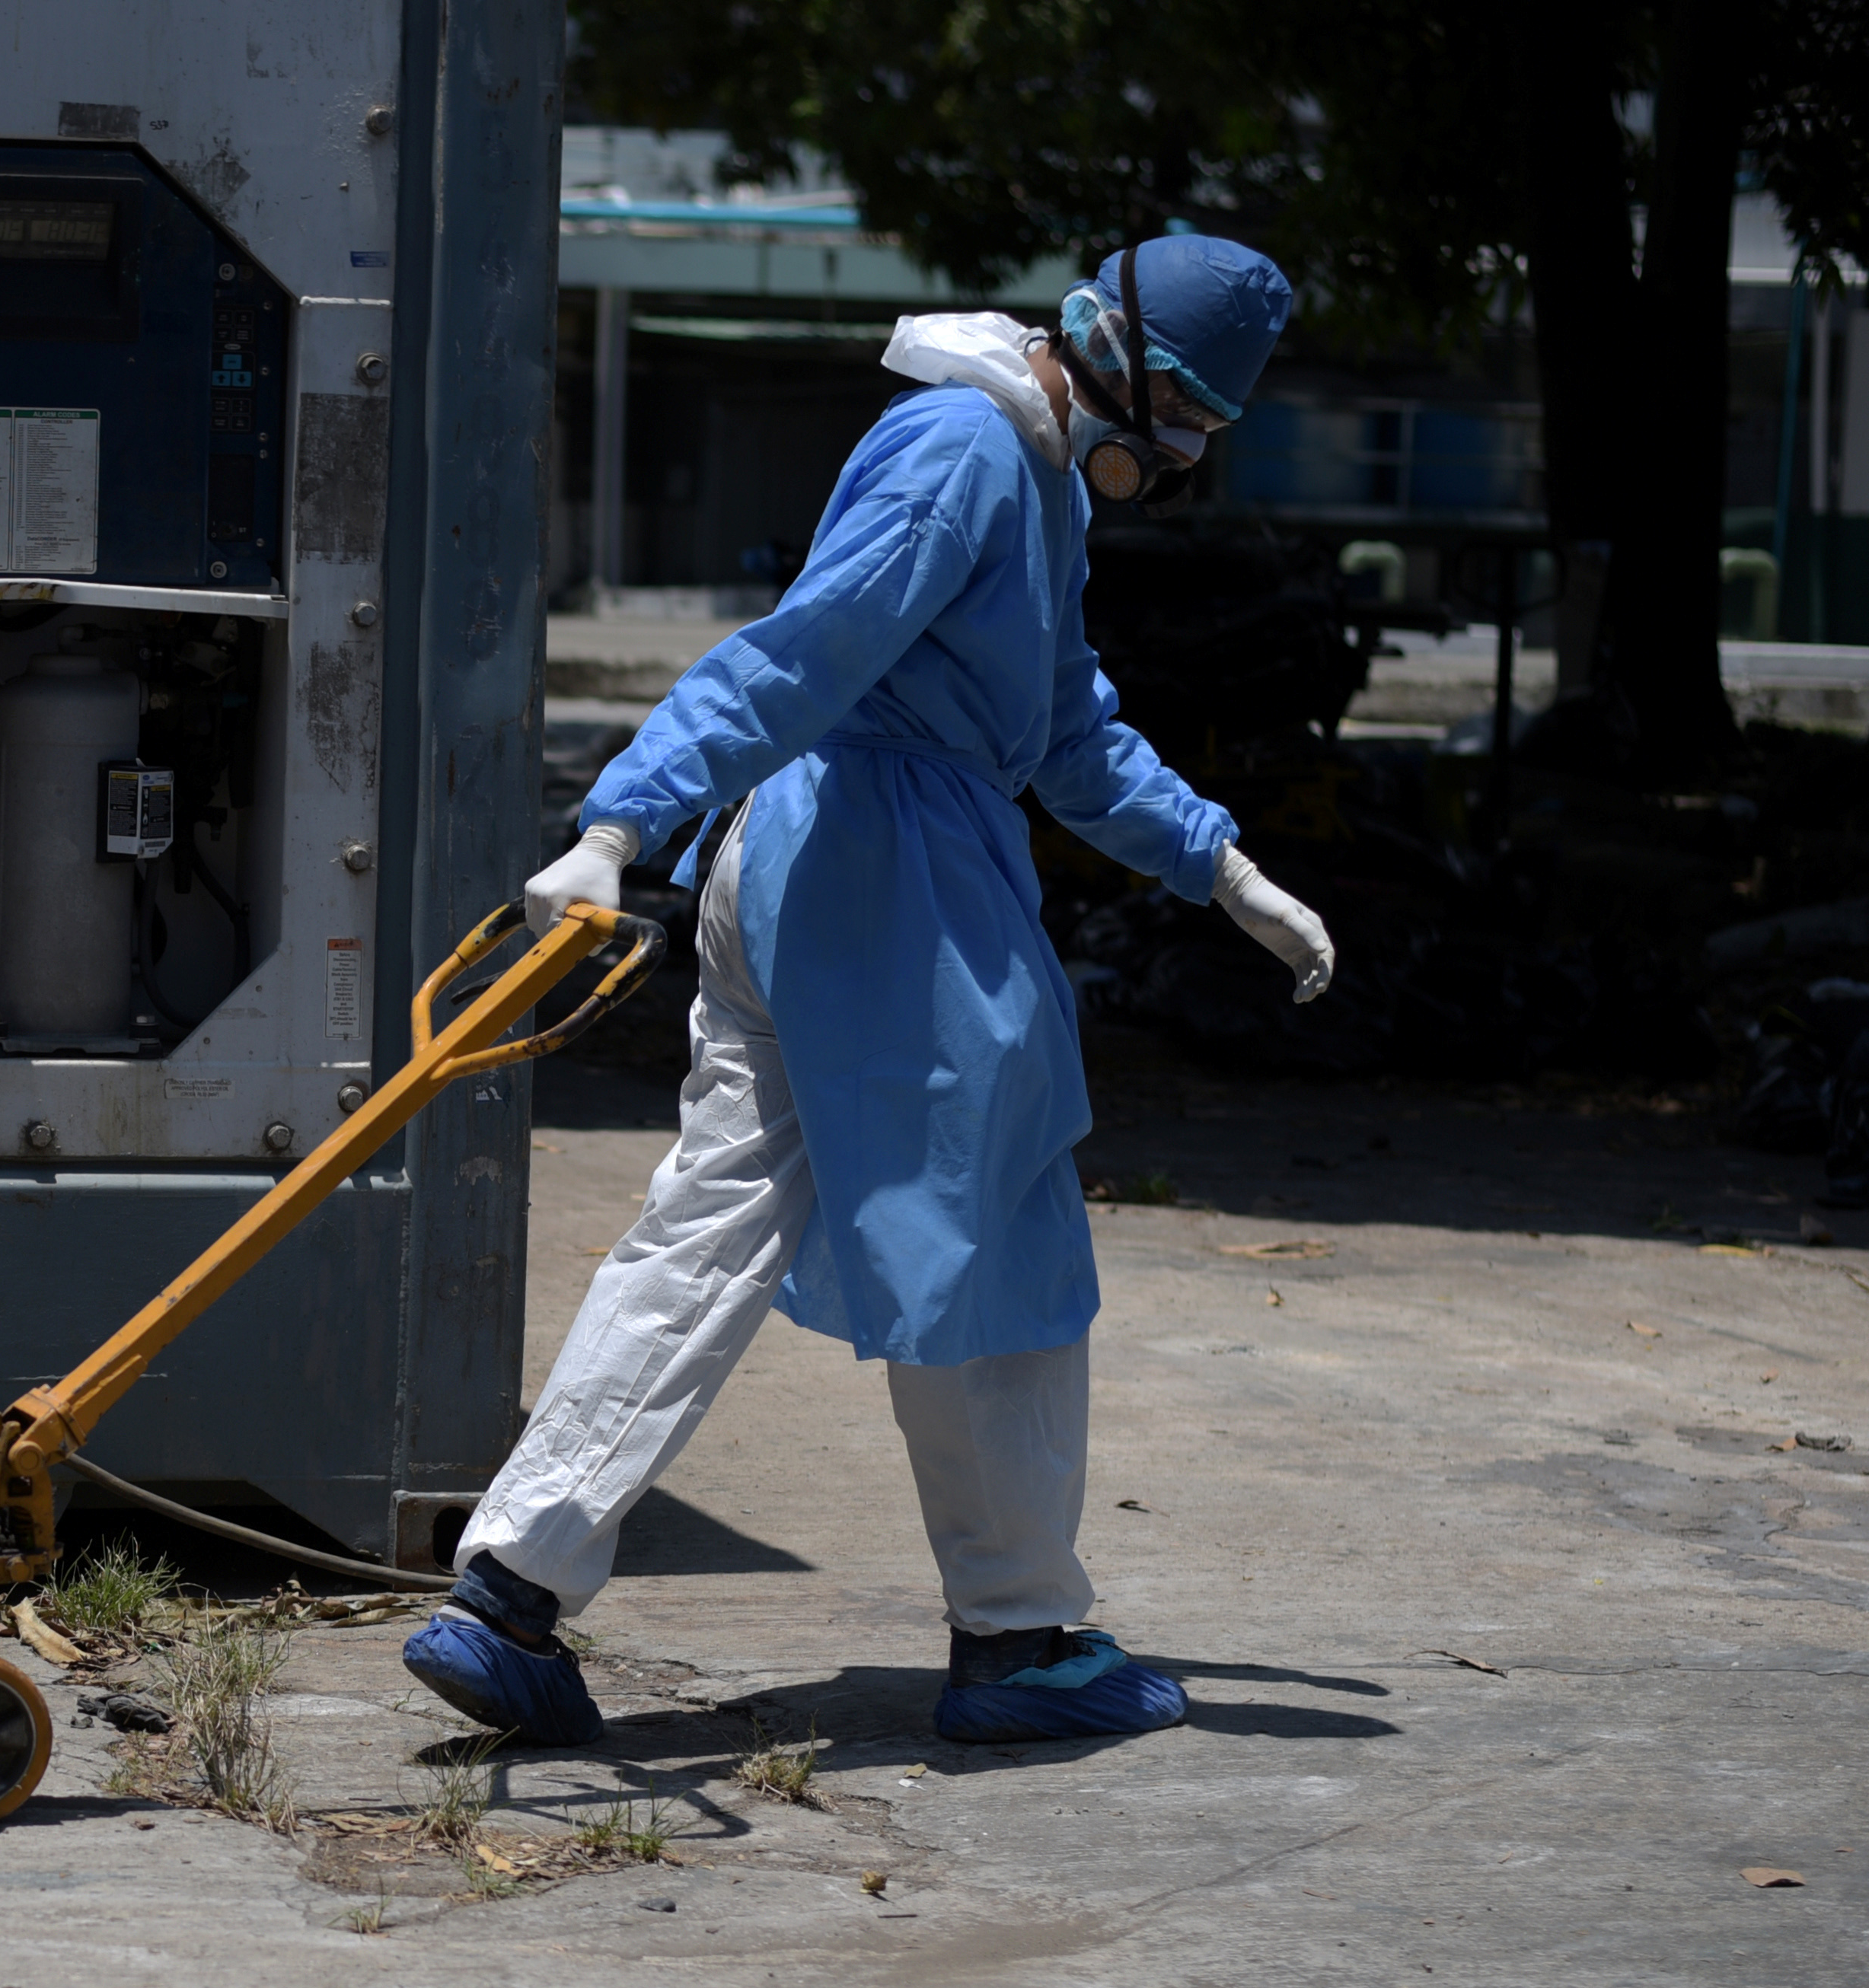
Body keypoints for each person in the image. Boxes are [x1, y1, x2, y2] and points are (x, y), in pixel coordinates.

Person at [405, 237, 1336, 1750]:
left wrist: (1219, 867)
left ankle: (510, 1591)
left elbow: (1061, 727)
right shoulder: (972, 452)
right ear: (1142, 385)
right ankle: (1020, 1631)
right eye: (1191, 434)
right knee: (997, 1240)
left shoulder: (1020, 464)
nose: (1179, 468)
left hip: (803, 865)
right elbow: (803, 652)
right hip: (885, 878)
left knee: (708, 1225)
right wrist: (616, 823)